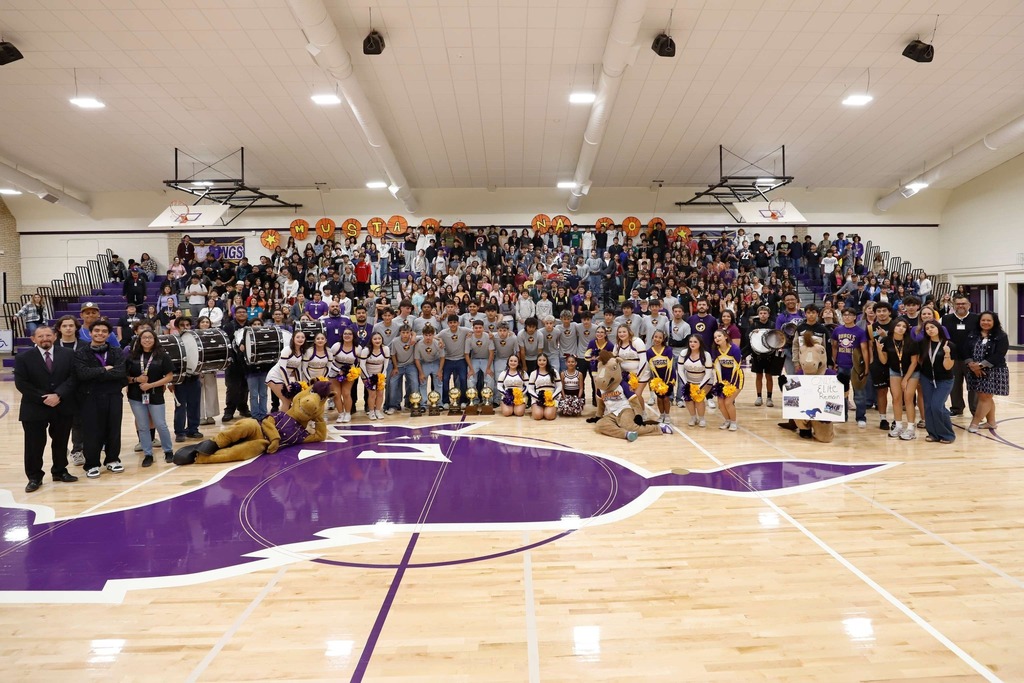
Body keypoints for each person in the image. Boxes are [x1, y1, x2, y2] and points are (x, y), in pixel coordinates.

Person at [14, 325, 79, 492]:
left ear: (55, 336)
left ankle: (60, 471)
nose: (45, 339)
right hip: (34, 407)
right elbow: (21, 383)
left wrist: (58, 395)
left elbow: (73, 378)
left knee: (61, 441)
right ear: (33, 339)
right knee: (34, 445)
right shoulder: (23, 357)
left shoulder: (68, 354)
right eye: (41, 336)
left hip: (62, 404)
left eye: (48, 335)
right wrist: (44, 398)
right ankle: (34, 477)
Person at [73, 318, 128, 478]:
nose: (100, 333)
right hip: (90, 397)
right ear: (90, 333)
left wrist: (96, 372)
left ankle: (112, 460)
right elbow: (82, 374)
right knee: (91, 431)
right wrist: (104, 370)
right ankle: (92, 464)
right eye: (96, 331)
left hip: (113, 396)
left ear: (109, 334)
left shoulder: (117, 351)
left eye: (104, 331)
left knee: (113, 428)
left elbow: (120, 372)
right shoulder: (81, 353)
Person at [125, 329, 175, 466]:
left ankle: (168, 450)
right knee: (142, 426)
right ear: (139, 340)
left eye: (150, 338)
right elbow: (124, 377)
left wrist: (151, 385)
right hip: (135, 396)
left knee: (160, 424)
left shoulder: (162, 356)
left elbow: (170, 376)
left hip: (155, 394)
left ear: (155, 340)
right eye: (144, 338)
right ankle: (148, 454)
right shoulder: (132, 357)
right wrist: (136, 379)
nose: (147, 340)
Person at [966, 311, 1009, 434]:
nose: (985, 322)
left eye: (989, 320)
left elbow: (999, 355)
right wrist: (971, 364)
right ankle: (991, 422)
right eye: (983, 320)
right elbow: (965, 349)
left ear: (994, 322)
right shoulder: (973, 334)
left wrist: (980, 365)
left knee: (985, 396)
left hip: (994, 370)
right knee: (984, 396)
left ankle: (975, 422)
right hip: (974, 370)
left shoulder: (1001, 336)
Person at [876, 319, 919, 440]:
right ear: (893, 327)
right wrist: (879, 350)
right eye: (898, 325)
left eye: (904, 326)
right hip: (895, 371)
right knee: (896, 398)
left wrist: (905, 379)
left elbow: (914, 362)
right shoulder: (886, 340)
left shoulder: (912, 342)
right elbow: (884, 361)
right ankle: (898, 425)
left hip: (911, 372)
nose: (901, 328)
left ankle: (911, 428)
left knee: (908, 398)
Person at [941, 294, 980, 417]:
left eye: (963, 303)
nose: (961, 306)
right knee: (954, 385)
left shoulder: (977, 319)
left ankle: (975, 410)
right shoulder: (946, 319)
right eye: (958, 304)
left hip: (971, 359)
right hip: (953, 358)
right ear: (954, 305)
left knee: (973, 385)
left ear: (968, 305)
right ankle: (957, 408)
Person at [918, 320, 956, 444]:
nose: (930, 330)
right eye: (927, 328)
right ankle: (933, 433)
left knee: (937, 406)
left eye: (932, 327)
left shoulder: (949, 344)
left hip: (944, 380)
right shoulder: (923, 343)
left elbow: (948, 367)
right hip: (926, 379)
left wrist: (947, 353)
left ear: (939, 328)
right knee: (928, 407)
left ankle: (947, 434)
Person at [831, 308, 869, 427]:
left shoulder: (860, 332)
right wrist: (834, 362)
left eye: (850, 315)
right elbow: (834, 347)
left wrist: (866, 366)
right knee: (842, 393)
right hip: (842, 365)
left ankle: (861, 417)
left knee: (859, 393)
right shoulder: (837, 330)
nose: (847, 317)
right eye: (845, 315)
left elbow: (864, 350)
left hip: (856, 366)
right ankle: (842, 415)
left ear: (854, 317)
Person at [170, 317, 204, 443]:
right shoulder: (173, 341)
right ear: (177, 327)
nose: (185, 327)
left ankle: (193, 429)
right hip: (179, 380)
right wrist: (170, 382)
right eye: (182, 325)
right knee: (180, 407)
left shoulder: (195, 340)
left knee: (194, 405)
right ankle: (179, 431)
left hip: (194, 378)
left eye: (188, 324)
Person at [711, 329, 743, 431]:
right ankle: (727, 420)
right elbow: (717, 367)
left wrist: (731, 384)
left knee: (728, 402)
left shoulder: (734, 349)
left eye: (719, 336)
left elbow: (736, 367)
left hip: (736, 378)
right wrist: (720, 383)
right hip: (723, 378)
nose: (717, 339)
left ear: (725, 337)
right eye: (715, 337)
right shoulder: (716, 350)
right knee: (720, 403)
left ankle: (733, 422)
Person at [678, 334, 713, 428]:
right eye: (690, 342)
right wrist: (686, 385)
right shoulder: (684, 353)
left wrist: (700, 387)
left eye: (695, 342)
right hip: (689, 381)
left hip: (704, 381)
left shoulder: (706, 355)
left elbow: (708, 373)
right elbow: (680, 370)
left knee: (699, 399)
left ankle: (702, 418)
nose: (692, 344)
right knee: (688, 399)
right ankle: (693, 417)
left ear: (700, 343)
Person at [266, 330, 306, 414]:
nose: (300, 339)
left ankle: (288, 421)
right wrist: (287, 384)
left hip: (283, 379)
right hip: (274, 377)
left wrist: (300, 384)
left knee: (293, 400)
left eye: (302, 337)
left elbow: (297, 370)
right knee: (286, 401)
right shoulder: (287, 349)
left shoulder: (301, 352)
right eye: (298, 337)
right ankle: (281, 423)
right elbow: (282, 368)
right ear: (293, 339)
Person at [439, 314, 470, 408]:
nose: (453, 324)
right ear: (447, 323)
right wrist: (440, 340)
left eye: (455, 322)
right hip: (448, 360)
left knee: (463, 380)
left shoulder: (464, 330)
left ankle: (463, 400)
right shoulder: (444, 333)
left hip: (461, 359)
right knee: (445, 380)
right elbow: (433, 337)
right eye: (451, 323)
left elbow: (478, 330)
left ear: (458, 323)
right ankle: (445, 401)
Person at [357, 332, 390, 420]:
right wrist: (368, 378)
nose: (377, 340)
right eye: (375, 339)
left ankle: (378, 411)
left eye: (379, 338)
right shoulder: (366, 350)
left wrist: (381, 375)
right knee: (372, 394)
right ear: (371, 340)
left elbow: (386, 363)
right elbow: (362, 365)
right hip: (367, 374)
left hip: (380, 374)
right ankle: (371, 411)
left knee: (380, 393)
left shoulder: (385, 349)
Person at [386, 325, 418, 415]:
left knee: (415, 383)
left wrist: (414, 336)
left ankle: (415, 404)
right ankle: (393, 405)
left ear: (410, 333)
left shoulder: (414, 339)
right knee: (392, 383)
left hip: (411, 365)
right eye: (403, 332)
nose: (405, 335)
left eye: (407, 332)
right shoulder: (395, 341)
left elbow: (430, 336)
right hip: (398, 366)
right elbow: (393, 355)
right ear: (400, 333)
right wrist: (395, 368)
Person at [646, 329, 675, 424]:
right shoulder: (649, 352)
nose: (657, 339)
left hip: (669, 377)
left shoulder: (668, 350)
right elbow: (652, 368)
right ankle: (661, 414)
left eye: (660, 338)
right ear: (652, 337)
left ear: (663, 339)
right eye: (656, 337)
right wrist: (657, 381)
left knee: (666, 398)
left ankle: (667, 415)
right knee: (659, 398)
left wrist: (666, 381)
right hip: (657, 378)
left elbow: (670, 366)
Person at [527, 353, 560, 421]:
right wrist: (537, 397)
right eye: (540, 360)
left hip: (551, 397)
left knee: (549, 416)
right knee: (537, 416)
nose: (542, 362)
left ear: (547, 361)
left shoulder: (554, 371)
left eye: (544, 360)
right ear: (537, 361)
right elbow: (530, 389)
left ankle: (551, 409)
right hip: (538, 398)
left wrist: (552, 396)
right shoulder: (533, 373)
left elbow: (559, 386)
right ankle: (538, 409)